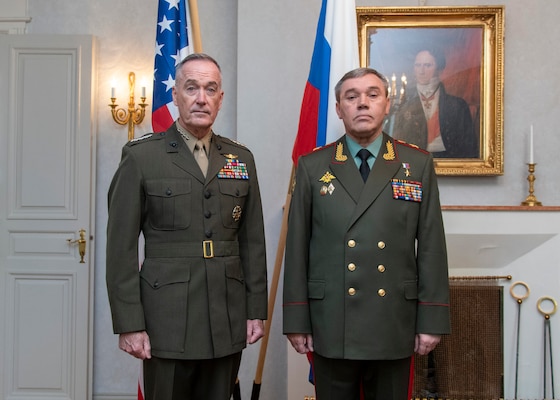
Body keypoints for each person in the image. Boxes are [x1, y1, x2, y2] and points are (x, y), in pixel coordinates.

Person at [106, 53, 268, 400]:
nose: (201, 98)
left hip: (225, 313)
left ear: (220, 99)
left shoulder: (241, 159)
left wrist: (256, 310)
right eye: (191, 87)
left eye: (211, 89)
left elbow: (253, 241)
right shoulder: (141, 156)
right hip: (167, 317)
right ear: (175, 95)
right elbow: (119, 248)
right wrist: (129, 322)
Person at [283, 67, 450, 399]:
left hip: (393, 321)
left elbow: (431, 246)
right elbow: (298, 246)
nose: (362, 103)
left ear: (387, 104)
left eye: (372, 95)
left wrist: (431, 319)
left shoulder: (416, 164)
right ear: (338, 109)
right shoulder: (313, 166)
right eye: (351, 96)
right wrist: (297, 318)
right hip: (331, 321)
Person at [393, 48, 478, 158]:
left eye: (428, 65)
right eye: (418, 65)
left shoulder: (458, 106)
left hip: (451, 163)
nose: (421, 71)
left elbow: (469, 148)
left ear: (440, 70)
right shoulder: (405, 107)